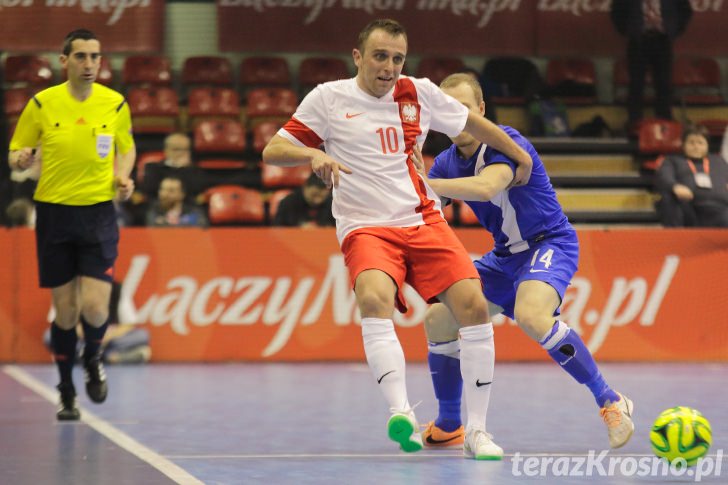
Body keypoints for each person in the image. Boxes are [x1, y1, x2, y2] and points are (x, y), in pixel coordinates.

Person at [263, 18, 533, 459]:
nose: (389, 67)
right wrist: (313, 152)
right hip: (366, 225)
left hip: (421, 218)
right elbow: (273, 149)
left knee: (475, 307)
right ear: (358, 57)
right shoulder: (329, 98)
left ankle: (478, 432)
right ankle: (400, 411)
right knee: (373, 298)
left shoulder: (419, 92)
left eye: (397, 58)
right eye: (380, 56)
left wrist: (521, 156)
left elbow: (476, 125)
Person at [410, 73, 634, 450]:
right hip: (504, 258)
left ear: (480, 110)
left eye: (464, 108)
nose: (456, 116)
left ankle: (610, 400)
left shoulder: (507, 141)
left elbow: (485, 186)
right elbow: (421, 208)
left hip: (549, 243)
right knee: (437, 318)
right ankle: (450, 423)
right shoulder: (446, 163)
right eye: (447, 110)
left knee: (532, 315)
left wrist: (423, 185)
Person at [8, 29, 136, 421]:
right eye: (80, 57)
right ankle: (66, 390)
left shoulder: (114, 104)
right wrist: (22, 159)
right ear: (63, 61)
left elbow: (126, 147)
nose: (89, 64)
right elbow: (15, 153)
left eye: (95, 57)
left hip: (98, 214)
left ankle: (93, 357)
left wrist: (123, 178)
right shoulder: (41, 104)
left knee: (96, 309)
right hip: (54, 214)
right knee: (65, 313)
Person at [610, 0, 693, 125]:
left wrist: (674, 29)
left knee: (664, 84)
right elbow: (616, 11)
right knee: (636, 84)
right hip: (638, 41)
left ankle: (664, 121)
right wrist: (628, 30)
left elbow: (686, 10)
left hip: (663, 40)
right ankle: (635, 122)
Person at [655, 125, 728, 227]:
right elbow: (664, 177)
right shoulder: (672, 160)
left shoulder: (719, 161)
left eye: (700, 143)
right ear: (683, 145)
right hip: (689, 207)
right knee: (668, 199)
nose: (696, 146)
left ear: (707, 145)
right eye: (691, 142)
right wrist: (675, 186)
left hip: (720, 208)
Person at [140, 132, 204, 200]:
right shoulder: (153, 168)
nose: (180, 153)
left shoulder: (194, 170)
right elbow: (149, 190)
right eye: (176, 149)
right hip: (157, 206)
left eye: (185, 149)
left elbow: (195, 191)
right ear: (166, 150)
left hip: (187, 207)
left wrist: (184, 169)